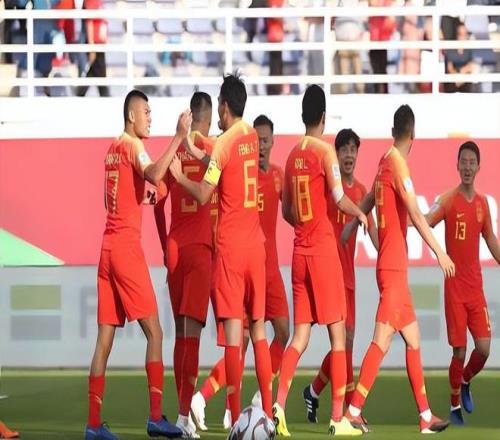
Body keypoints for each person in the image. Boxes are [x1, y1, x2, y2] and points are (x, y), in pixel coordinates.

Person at [169, 73, 274, 429]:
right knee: (259, 332)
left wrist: (180, 176)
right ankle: (268, 415)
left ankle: (236, 416)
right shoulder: (250, 137)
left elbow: (203, 192)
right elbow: (221, 161)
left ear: (225, 107)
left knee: (233, 336)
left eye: (219, 106)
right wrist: (199, 152)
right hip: (256, 247)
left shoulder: (224, 143)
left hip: (230, 249)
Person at [85, 90, 191, 440]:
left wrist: (136, 198)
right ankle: (156, 417)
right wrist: (178, 137)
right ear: (131, 115)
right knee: (155, 333)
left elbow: (108, 201)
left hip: (106, 249)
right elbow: (155, 173)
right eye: (146, 112)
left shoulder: (112, 149)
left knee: (103, 341)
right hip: (126, 250)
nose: (149, 117)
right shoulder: (133, 146)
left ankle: (93, 425)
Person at [343, 104, 454, 434]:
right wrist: (440, 253)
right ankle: (352, 411)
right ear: (413, 134)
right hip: (392, 267)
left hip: (394, 267)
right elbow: (417, 215)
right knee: (382, 339)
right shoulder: (397, 165)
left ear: (394, 131)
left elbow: (369, 200)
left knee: (413, 339)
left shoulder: (383, 160)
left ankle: (425, 416)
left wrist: (352, 224)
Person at [272, 85, 367, 437]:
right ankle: (338, 418)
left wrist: (304, 226)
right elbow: (339, 198)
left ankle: (278, 407)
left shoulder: (292, 154)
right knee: (338, 339)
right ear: (324, 117)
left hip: (299, 253)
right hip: (324, 254)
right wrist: (361, 212)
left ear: (303, 116)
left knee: (299, 336)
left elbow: (288, 211)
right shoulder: (325, 152)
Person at [190, 114, 290, 430]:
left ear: (272, 142)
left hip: (261, 264)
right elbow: (216, 168)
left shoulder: (277, 175)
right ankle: (214, 401)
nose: (260, 146)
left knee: (279, 331)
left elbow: (290, 212)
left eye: (265, 140)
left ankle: (253, 405)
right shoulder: (238, 158)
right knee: (246, 338)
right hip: (250, 257)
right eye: (257, 140)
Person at [302, 128, 378, 423]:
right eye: (343, 149)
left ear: (357, 154)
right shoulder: (328, 187)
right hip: (325, 272)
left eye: (352, 150)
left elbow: (372, 228)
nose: (348, 155)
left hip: (348, 277)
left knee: (344, 342)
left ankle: (314, 390)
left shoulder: (360, 191)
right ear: (336, 154)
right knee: (339, 341)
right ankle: (348, 409)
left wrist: (385, 253)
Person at [425, 141, 500, 425]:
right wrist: (406, 219)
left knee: (484, 348)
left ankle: (466, 380)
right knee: (459, 350)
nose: (467, 167)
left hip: (475, 289)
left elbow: (490, 238)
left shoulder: (482, 204)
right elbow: (426, 221)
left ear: (478, 167)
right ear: (457, 166)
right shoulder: (447, 200)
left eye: (472, 162)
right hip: (454, 289)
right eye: (463, 162)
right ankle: (454, 404)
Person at [154, 92, 215, 438]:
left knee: (179, 336)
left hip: (175, 248)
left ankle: (182, 414)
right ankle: (182, 418)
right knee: (192, 339)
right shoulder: (213, 151)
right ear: (209, 118)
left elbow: (157, 204)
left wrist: (165, 244)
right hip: (199, 250)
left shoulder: (175, 150)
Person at [77, 0, 110, 97]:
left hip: (98, 44)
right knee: (100, 74)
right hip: (95, 44)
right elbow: (89, 22)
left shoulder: (98, 2)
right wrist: (92, 46)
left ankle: (79, 95)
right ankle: (105, 97)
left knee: (94, 72)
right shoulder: (91, 1)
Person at [444, 22, 474, 93]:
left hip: (465, 78)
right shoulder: (450, 49)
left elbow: (470, 66)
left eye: (465, 34)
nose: (463, 37)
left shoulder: (469, 49)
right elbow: (450, 68)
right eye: (460, 34)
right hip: (452, 79)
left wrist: (461, 75)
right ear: (456, 35)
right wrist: (457, 78)